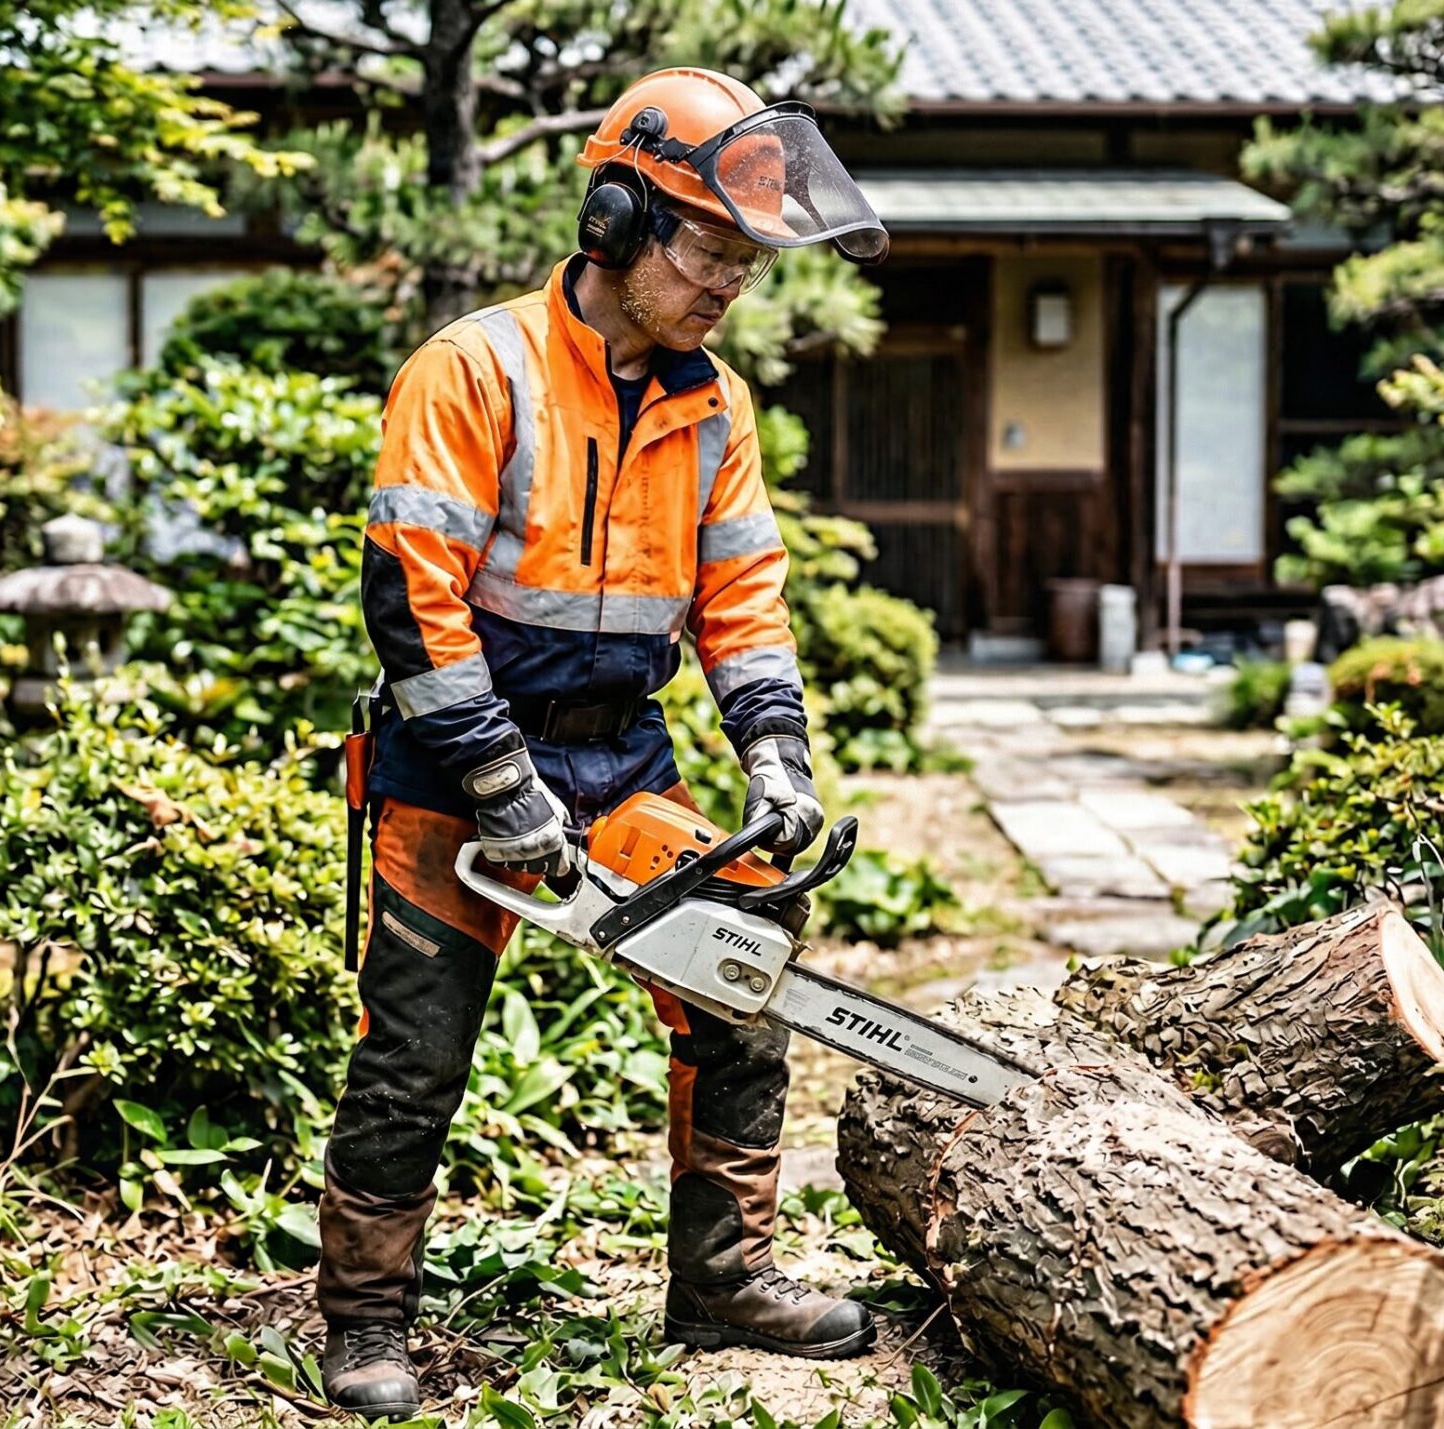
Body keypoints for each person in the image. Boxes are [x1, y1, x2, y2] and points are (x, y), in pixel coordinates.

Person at [319, 66, 892, 1421]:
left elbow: (741, 602)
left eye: (747, 263)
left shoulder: (717, 410)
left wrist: (777, 753)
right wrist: (500, 786)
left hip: (619, 756)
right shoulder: (478, 370)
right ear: (618, 216)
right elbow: (414, 600)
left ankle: (723, 1275)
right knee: (416, 1048)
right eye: (707, 249)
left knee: (742, 979)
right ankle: (365, 1316)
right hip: (455, 763)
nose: (725, 284)